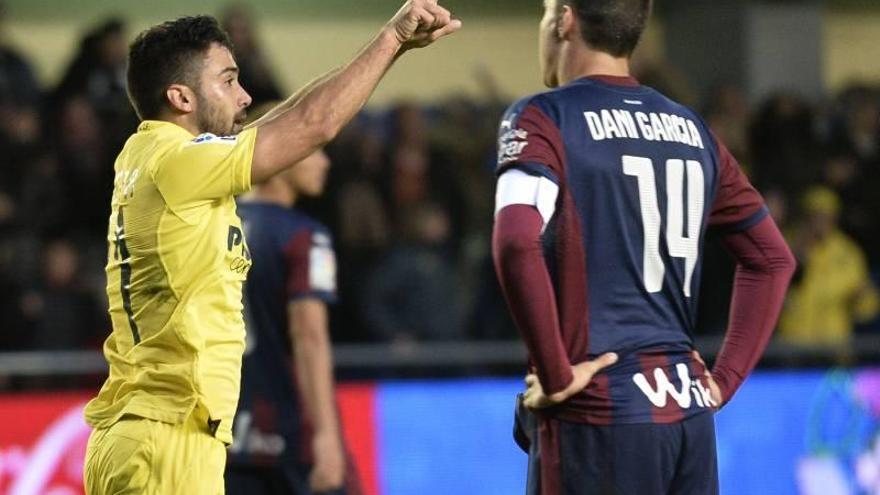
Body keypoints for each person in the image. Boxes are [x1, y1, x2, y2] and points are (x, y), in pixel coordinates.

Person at [82, 4, 460, 494]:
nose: (244, 95)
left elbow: (278, 122)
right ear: (180, 96)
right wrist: (390, 39)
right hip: (170, 443)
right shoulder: (179, 162)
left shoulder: (145, 153)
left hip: (138, 433)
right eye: (228, 80)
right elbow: (313, 124)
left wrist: (384, 52)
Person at [491, 1, 796, 494]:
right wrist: (725, 378)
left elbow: (514, 241)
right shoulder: (693, 130)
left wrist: (555, 371)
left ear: (565, 20)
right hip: (687, 417)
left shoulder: (542, 118)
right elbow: (772, 258)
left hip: (598, 413)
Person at [225, 149, 359, 494]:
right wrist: (327, 436)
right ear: (278, 158)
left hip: (221, 434)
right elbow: (309, 336)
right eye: (313, 150)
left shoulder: (210, 227)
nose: (324, 162)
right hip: (286, 433)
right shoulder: (304, 237)